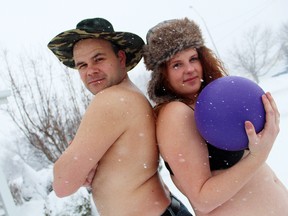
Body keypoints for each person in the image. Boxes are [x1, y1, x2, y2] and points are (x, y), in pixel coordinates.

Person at [143, 17, 288, 216]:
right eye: (177, 65)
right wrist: (258, 155)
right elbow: (202, 199)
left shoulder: (212, 102)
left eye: (193, 59)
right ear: (163, 74)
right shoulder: (174, 114)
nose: (190, 69)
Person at [47, 17, 193, 216]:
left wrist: (75, 162)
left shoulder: (111, 100)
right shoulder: (132, 96)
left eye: (99, 59)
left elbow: (63, 184)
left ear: (121, 58)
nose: (91, 71)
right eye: (82, 65)